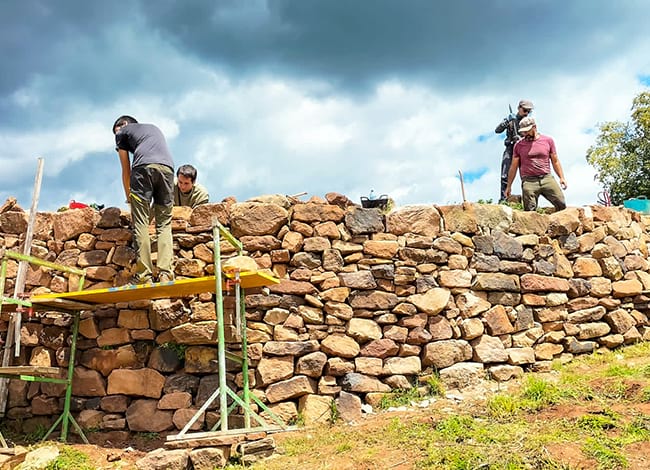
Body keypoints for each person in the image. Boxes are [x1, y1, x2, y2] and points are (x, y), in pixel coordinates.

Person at [113, 115, 175, 284]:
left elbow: (126, 170)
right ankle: (165, 274)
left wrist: (129, 198)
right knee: (164, 223)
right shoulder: (152, 128)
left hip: (142, 169)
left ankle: (144, 276)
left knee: (140, 223)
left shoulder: (122, 132)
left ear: (123, 125)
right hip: (168, 170)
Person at [504, 116, 567, 211]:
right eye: (523, 132)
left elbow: (555, 161)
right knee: (529, 210)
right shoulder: (518, 145)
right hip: (529, 181)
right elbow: (513, 167)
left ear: (534, 127)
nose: (525, 134)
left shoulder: (548, 141)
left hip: (546, 178)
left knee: (561, 203)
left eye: (527, 131)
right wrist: (509, 186)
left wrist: (562, 177)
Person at [495, 100, 534, 202]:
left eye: (528, 111)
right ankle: (504, 198)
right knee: (505, 175)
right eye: (525, 110)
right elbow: (497, 130)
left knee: (527, 175)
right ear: (519, 108)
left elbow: (533, 136)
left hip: (523, 148)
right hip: (510, 148)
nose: (526, 113)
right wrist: (506, 121)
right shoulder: (511, 119)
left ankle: (529, 200)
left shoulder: (528, 122)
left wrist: (521, 139)